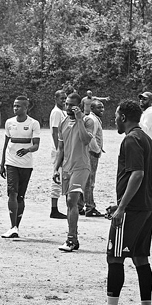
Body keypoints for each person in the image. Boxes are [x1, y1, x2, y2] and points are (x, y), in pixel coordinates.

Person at [85, 99, 152, 305]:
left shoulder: (131, 139)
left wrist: (121, 208)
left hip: (133, 209)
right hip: (147, 207)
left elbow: (137, 174)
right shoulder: (147, 139)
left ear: (124, 117)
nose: (114, 119)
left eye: (117, 116)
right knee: (140, 258)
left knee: (115, 257)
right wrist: (118, 204)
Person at [52, 92, 95, 252]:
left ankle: (70, 239)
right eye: (66, 104)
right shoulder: (63, 122)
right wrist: (56, 168)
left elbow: (85, 140)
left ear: (79, 105)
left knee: (72, 200)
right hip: (67, 168)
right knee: (69, 203)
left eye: (71, 104)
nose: (68, 107)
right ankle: (74, 239)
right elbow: (60, 148)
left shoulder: (87, 121)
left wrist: (78, 120)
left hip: (81, 167)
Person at [0, 95, 40, 239]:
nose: (15, 108)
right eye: (14, 105)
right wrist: (2, 162)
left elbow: (36, 145)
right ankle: (12, 227)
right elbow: (6, 143)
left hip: (27, 165)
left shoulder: (33, 124)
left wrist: (27, 150)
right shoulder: (9, 122)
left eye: (18, 106)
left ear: (26, 108)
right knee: (12, 193)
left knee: (21, 196)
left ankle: (17, 225)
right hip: (11, 163)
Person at [83, 99, 106, 217]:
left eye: (102, 107)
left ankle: (80, 205)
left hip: (91, 152)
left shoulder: (94, 119)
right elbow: (90, 138)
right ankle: (90, 207)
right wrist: (97, 150)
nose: (102, 110)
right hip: (91, 153)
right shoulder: (92, 120)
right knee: (90, 181)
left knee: (87, 179)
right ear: (92, 109)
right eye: (99, 108)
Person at [48, 89, 68, 219]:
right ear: (55, 99)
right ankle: (54, 209)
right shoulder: (56, 112)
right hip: (58, 149)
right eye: (61, 98)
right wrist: (58, 149)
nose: (64, 101)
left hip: (63, 148)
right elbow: (55, 132)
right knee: (57, 177)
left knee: (63, 176)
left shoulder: (62, 112)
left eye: (65, 98)